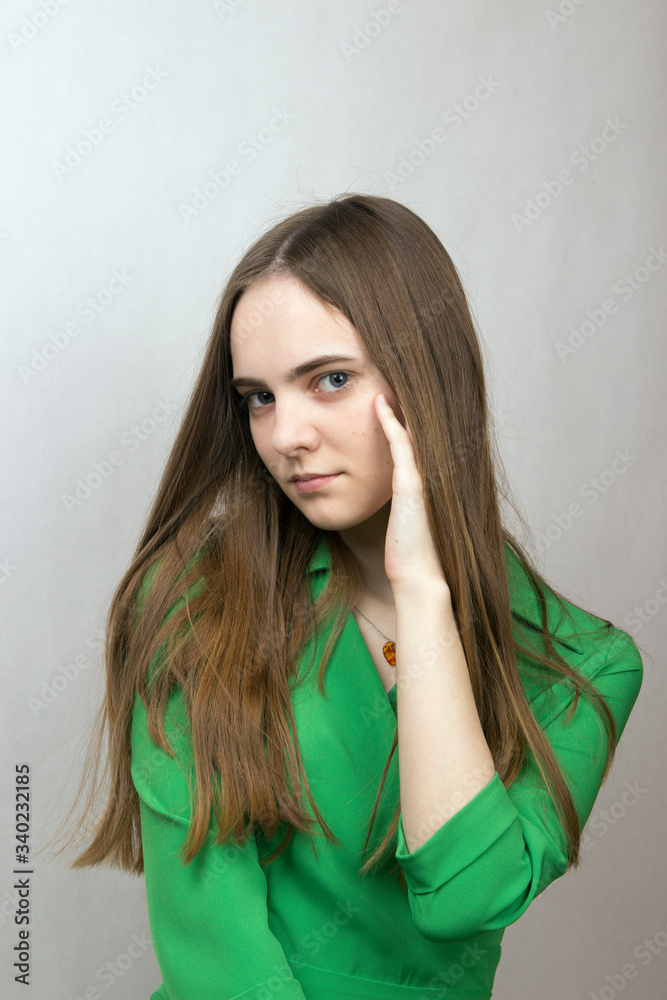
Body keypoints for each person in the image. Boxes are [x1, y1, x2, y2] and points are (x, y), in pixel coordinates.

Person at [56, 194, 644, 999]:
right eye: (257, 397)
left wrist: (421, 595)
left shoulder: (583, 664)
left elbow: (464, 900)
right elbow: (214, 944)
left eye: (328, 380)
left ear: (427, 383)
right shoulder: (193, 600)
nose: (284, 434)